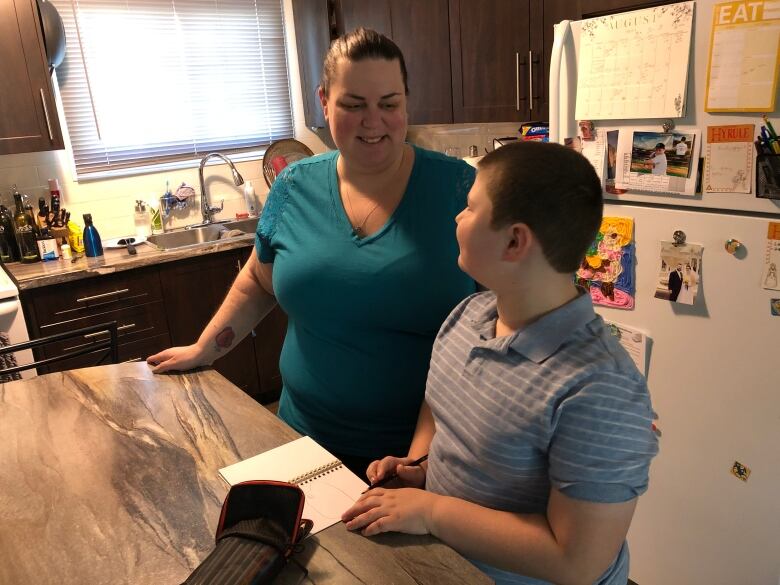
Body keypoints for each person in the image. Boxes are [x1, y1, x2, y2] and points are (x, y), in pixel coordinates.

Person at [146, 28, 477, 475]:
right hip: (302, 438)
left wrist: (423, 459)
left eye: (389, 104)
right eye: (353, 104)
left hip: (421, 457)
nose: (372, 121)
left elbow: (500, 318)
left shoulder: (459, 189)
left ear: (407, 102)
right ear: (324, 101)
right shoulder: (293, 186)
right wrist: (205, 349)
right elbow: (257, 283)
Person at [342, 141, 659, 585]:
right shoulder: (468, 316)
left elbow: (577, 562)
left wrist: (433, 511)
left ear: (514, 241)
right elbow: (445, 419)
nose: (457, 218)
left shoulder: (600, 389)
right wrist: (421, 470)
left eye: (470, 208)